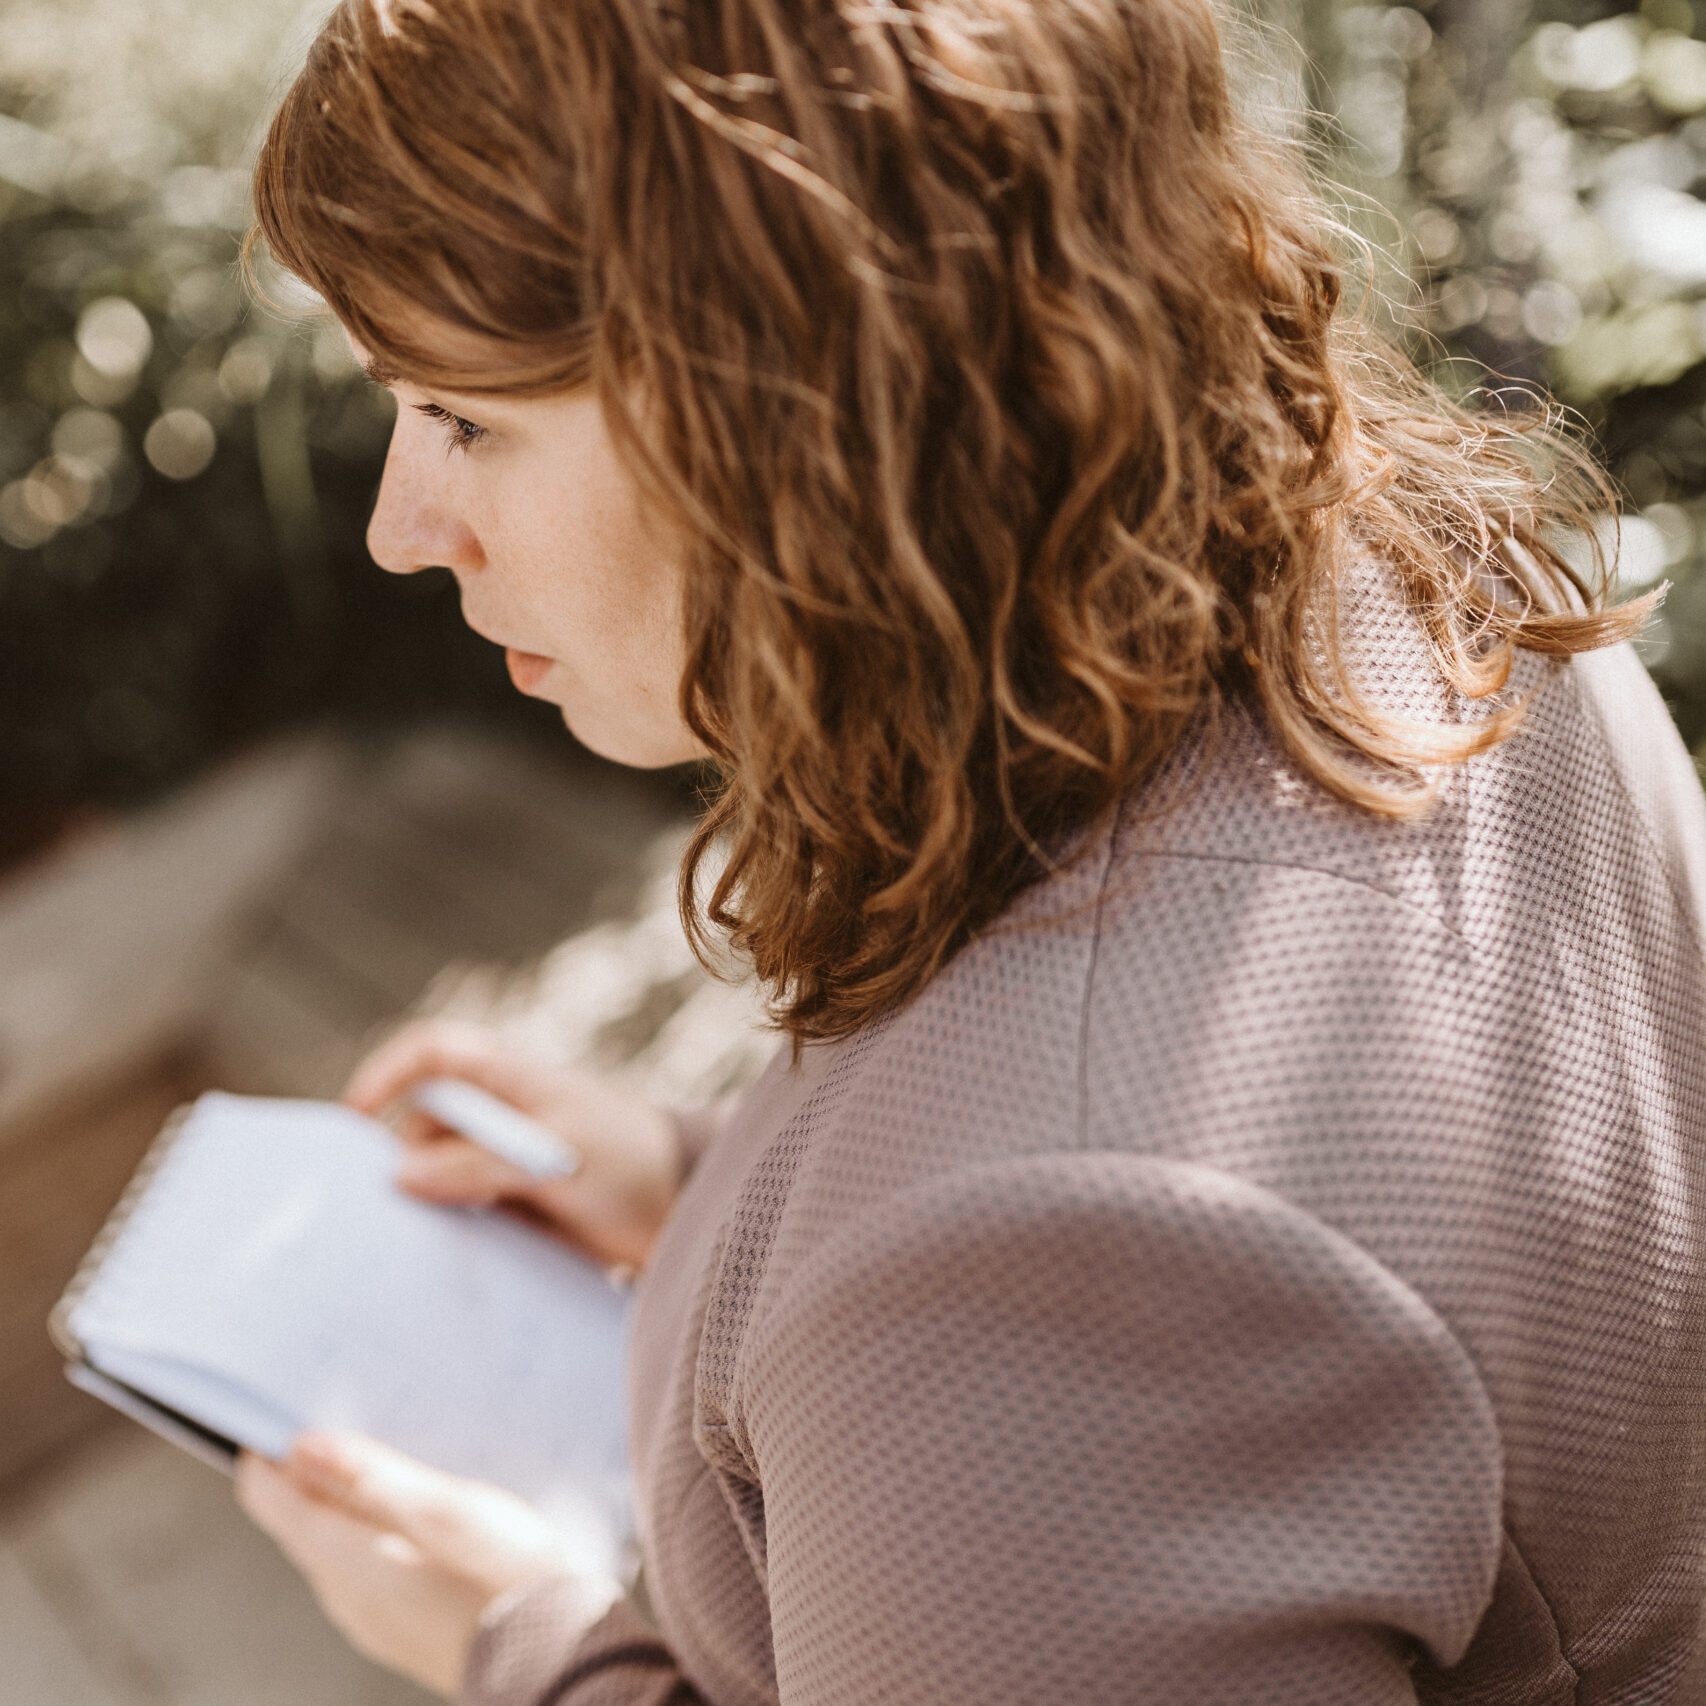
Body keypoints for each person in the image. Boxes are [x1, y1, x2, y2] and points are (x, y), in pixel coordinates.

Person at [232, 0, 1706, 1699]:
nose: (402, 528)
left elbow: (1090, 1258)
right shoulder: (1410, 577)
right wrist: (705, 1179)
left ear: (799, 412)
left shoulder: (1052, 1263)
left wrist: (533, 1647)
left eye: (468, 419)